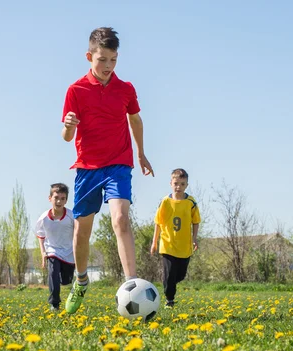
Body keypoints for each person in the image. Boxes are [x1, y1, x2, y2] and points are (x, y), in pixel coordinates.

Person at [61, 27, 154, 314]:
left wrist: (140, 152)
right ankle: (81, 280)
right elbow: (66, 137)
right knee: (81, 233)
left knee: (121, 220)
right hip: (88, 167)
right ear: (89, 56)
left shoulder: (125, 89)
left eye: (113, 60)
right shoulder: (75, 90)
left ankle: (132, 286)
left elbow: (135, 121)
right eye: (102, 60)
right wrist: (69, 126)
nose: (107, 66)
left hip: (119, 163)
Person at [150, 168, 200, 308]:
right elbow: (158, 222)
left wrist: (194, 238)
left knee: (181, 275)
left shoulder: (191, 202)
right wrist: (155, 242)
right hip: (168, 244)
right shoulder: (165, 202)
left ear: (186, 185)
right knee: (169, 274)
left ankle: (169, 284)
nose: (179, 187)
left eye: (182, 184)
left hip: (184, 246)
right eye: (176, 183)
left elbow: (196, 221)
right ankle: (169, 300)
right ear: (170, 183)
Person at [35, 183, 75, 311]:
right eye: (56, 197)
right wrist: (43, 254)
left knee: (66, 281)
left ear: (66, 200)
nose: (59, 201)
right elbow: (41, 237)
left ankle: (66, 280)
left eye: (62, 198)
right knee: (53, 273)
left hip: (69, 254)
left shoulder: (71, 216)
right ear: (50, 198)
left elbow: (78, 235)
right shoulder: (43, 218)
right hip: (52, 251)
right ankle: (54, 304)